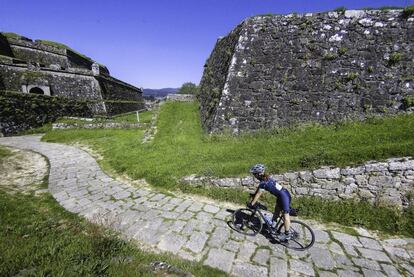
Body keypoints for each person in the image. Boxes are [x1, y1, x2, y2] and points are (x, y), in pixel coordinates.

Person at [248, 163, 292, 241]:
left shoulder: (263, 182)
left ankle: (287, 234)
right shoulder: (266, 178)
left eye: (254, 174)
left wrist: (252, 204)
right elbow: (258, 190)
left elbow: (258, 194)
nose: (254, 176)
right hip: (283, 194)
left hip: (283, 197)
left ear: (258, 174)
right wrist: (253, 195)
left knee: (285, 215)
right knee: (276, 211)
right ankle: (273, 225)